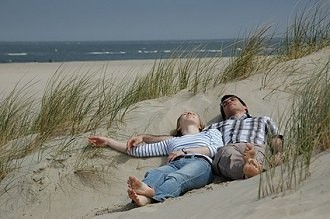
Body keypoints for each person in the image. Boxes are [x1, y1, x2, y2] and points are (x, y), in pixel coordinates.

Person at [127, 95, 283, 180]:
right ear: (223, 112)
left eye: (232, 100)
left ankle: (252, 167)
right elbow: (179, 138)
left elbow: (276, 137)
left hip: (254, 145)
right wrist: (144, 137)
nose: (228, 102)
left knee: (258, 154)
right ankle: (250, 170)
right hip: (228, 147)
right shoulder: (215, 127)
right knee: (225, 156)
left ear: (245, 107)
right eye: (224, 103)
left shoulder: (262, 119)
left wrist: (278, 152)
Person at [88, 111, 223, 206]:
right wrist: (108, 141)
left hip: (200, 162)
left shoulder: (210, 132)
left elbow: (217, 149)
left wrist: (185, 151)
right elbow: (137, 151)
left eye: (194, 113)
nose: (188, 112)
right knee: (155, 173)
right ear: (179, 127)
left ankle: (153, 194)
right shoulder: (172, 141)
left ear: (200, 125)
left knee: (177, 177)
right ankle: (146, 198)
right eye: (183, 114)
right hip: (175, 163)